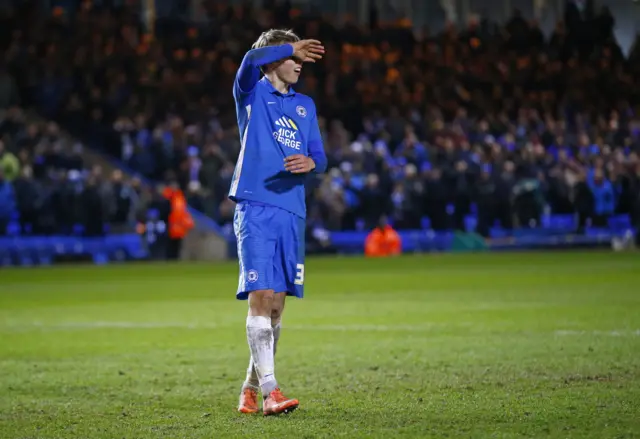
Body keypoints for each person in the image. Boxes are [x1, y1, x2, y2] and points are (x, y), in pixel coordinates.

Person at [229, 29, 327, 416]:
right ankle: (272, 391)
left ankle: (250, 388)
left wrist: (312, 163)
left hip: (292, 209)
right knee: (261, 295)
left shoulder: (306, 105)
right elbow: (248, 61)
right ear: (273, 59)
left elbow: (318, 152)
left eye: (301, 56)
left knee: (276, 309)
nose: (299, 62)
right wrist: (287, 46)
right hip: (256, 204)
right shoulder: (251, 94)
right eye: (292, 56)